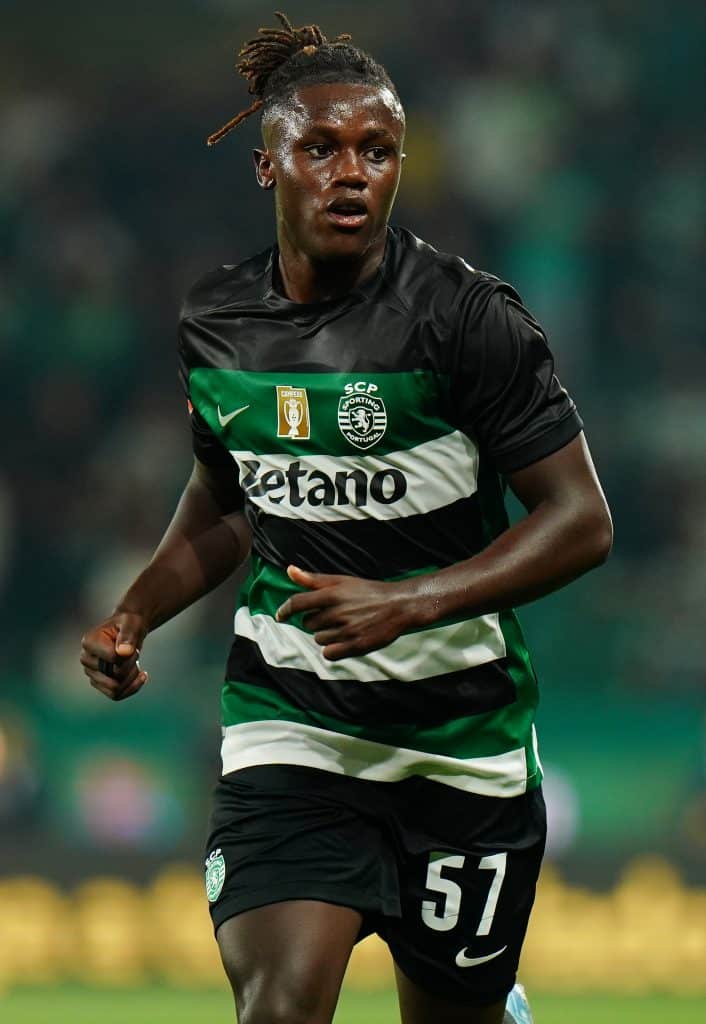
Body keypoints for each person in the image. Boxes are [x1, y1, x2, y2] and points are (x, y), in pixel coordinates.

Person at [80, 13, 612, 1024]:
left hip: (459, 741)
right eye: (320, 148)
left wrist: (411, 603)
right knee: (280, 1008)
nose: (352, 173)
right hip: (293, 729)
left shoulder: (468, 320)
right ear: (266, 166)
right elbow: (228, 499)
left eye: (377, 150)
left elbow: (582, 520)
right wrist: (136, 611)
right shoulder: (217, 324)